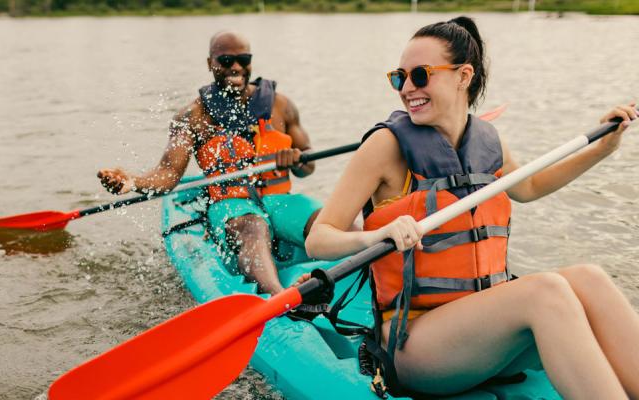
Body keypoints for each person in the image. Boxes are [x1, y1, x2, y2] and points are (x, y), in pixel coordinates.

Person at [304, 16, 637, 399]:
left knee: (590, 278)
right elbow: (319, 239)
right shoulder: (385, 146)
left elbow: (528, 187)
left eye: (421, 75)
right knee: (544, 291)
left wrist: (603, 149)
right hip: (417, 346)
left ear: (464, 76)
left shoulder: (487, 142)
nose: (407, 88)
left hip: (481, 340)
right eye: (400, 78)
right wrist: (378, 234)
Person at [98, 31, 322, 295]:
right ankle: (278, 296)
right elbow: (168, 174)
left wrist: (296, 161)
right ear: (210, 64)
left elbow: (309, 166)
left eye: (243, 59)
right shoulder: (192, 117)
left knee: (323, 218)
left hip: (277, 200)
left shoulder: (280, 105)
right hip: (231, 205)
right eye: (226, 60)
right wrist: (133, 181)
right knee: (253, 225)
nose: (235, 67)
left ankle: (369, 264)